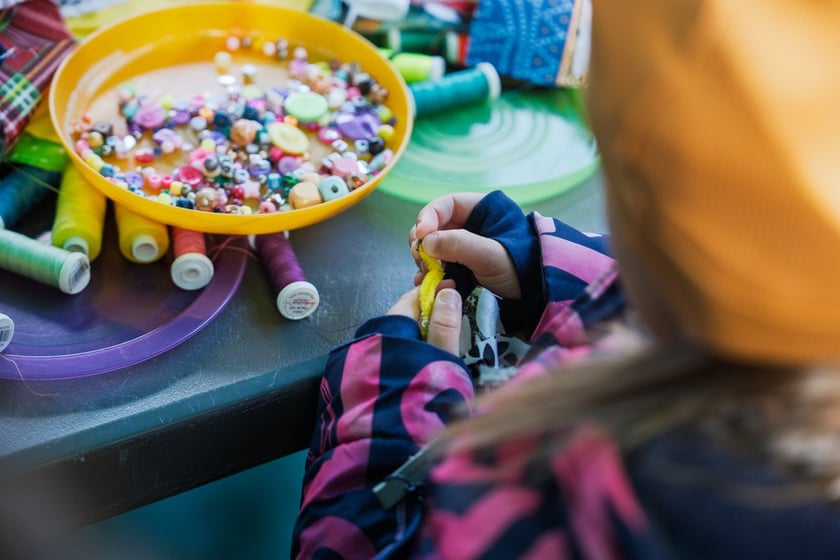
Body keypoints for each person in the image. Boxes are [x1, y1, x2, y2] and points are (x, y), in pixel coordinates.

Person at [293, 0, 840, 558]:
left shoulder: (595, 507)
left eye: (626, 189)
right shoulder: (797, 334)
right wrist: (540, 270)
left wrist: (390, 409)